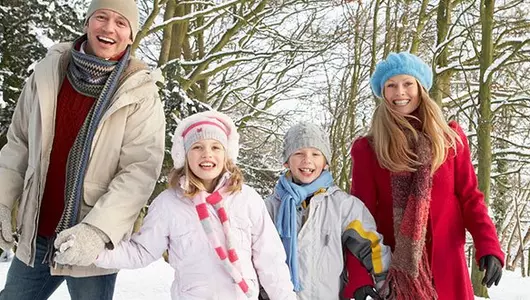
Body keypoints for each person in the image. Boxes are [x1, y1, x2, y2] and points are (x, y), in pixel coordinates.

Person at [0, 0, 166, 299]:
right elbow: (18, 144)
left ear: (131, 35)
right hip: (36, 228)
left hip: (90, 240)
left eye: (120, 22)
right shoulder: (47, 73)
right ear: (88, 22)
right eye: (101, 17)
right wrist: (1, 202)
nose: (109, 28)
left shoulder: (140, 92)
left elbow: (139, 170)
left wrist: (98, 231)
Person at [56, 110, 297, 299]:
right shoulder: (169, 204)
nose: (207, 154)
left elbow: (270, 260)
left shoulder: (248, 199)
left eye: (215, 147)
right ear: (184, 156)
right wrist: (92, 251)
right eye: (197, 147)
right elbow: (141, 251)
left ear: (226, 155)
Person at [344, 52, 504, 300]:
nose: (400, 92)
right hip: (397, 273)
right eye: (391, 85)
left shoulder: (450, 140)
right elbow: (360, 218)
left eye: (408, 83)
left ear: (421, 87)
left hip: (447, 267)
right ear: (382, 92)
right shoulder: (369, 149)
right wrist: (359, 275)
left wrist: (488, 245)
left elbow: (470, 197)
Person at [264, 123, 391, 300]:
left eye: (316, 154)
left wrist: (388, 286)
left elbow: (373, 248)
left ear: (325, 162)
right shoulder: (268, 209)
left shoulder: (344, 207)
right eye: (299, 153)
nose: (307, 160)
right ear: (286, 160)